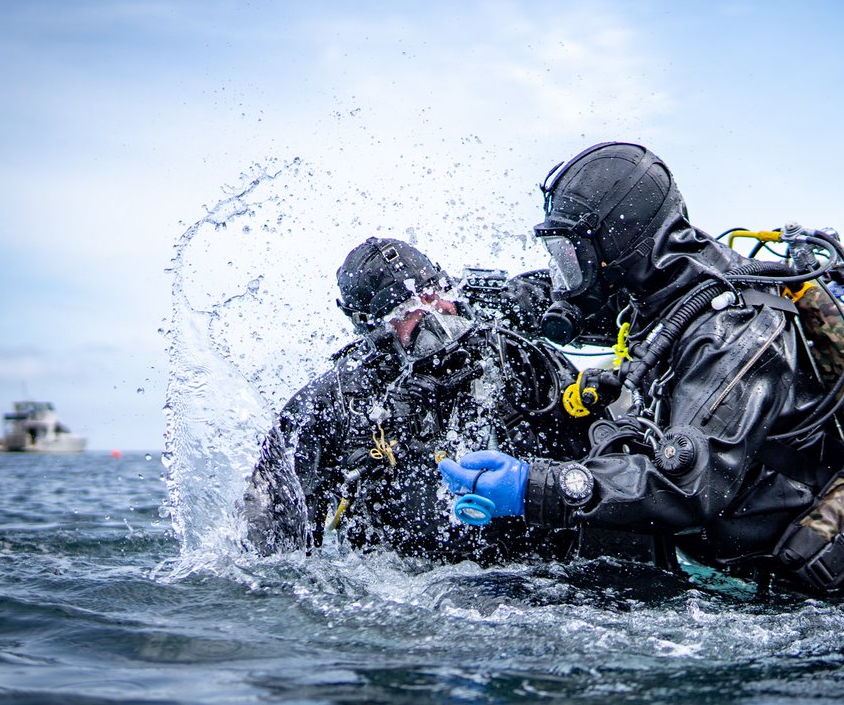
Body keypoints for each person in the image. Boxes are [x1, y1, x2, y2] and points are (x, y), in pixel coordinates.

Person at [439, 142, 844, 594]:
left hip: (821, 601)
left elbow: (687, 483)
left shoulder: (736, 327)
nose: (568, 278)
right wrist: (450, 298)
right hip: (745, 576)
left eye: (573, 256)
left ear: (620, 245)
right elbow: (562, 304)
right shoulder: (660, 297)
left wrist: (528, 485)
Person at [242, 237, 600, 564]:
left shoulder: (513, 356)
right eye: (406, 310)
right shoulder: (334, 404)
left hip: (550, 571)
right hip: (413, 590)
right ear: (373, 329)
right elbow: (272, 549)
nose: (432, 314)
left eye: (433, 293)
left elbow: (605, 471)